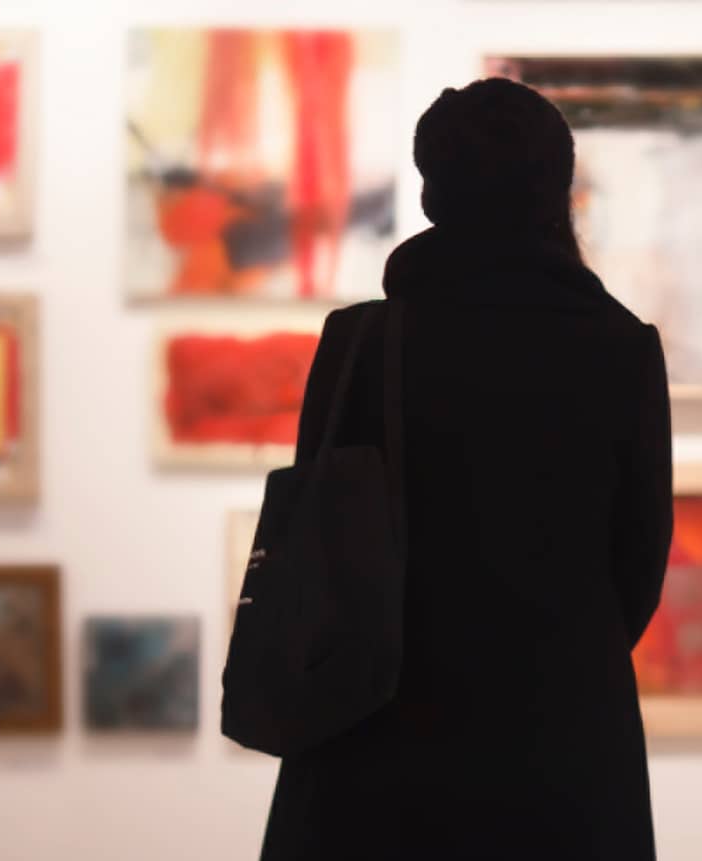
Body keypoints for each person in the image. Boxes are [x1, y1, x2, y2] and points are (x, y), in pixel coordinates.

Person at [259, 78, 674, 861]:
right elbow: (637, 570)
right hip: (565, 759)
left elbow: (313, 542)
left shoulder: (361, 344)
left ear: (432, 193)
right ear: (559, 190)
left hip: (370, 744)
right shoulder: (619, 348)